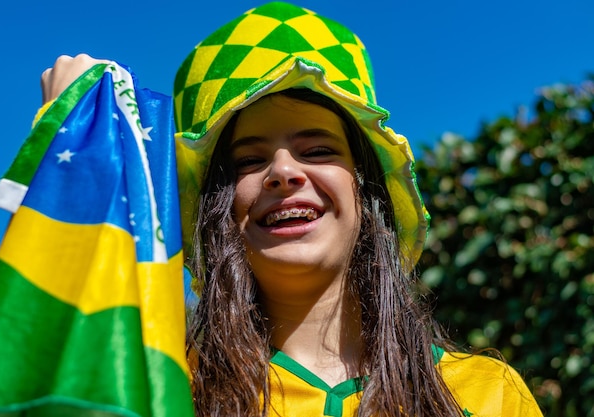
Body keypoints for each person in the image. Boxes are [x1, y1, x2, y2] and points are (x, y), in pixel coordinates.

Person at [39, 2, 543, 416]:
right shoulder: (163, 392)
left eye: (318, 149)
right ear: (218, 212)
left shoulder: (485, 394)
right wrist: (75, 169)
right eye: (249, 160)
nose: (283, 172)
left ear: (365, 195)